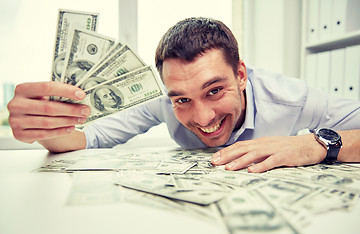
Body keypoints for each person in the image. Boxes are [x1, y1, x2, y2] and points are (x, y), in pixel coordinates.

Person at [7, 17, 360, 173]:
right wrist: (48, 127)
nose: (203, 119)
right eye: (182, 100)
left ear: (240, 75)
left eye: (215, 90)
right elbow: (90, 139)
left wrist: (312, 145)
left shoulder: (291, 98)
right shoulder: (163, 100)